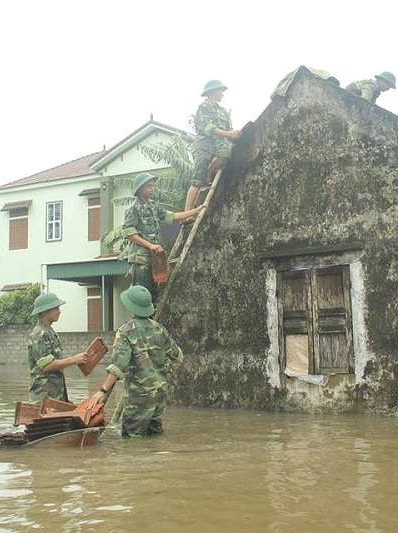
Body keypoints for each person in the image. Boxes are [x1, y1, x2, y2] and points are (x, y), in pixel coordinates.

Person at [96, 285, 184, 437]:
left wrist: (102, 391)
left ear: (130, 307)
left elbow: (118, 366)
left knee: (133, 445)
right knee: (154, 438)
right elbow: (178, 356)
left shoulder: (125, 331)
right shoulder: (160, 329)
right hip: (159, 395)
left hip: (139, 398)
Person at [120, 172, 202, 301]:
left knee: (154, 293)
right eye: (148, 186)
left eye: (153, 186)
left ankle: (150, 320)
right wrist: (150, 245)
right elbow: (129, 233)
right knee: (142, 293)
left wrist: (196, 211)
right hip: (141, 257)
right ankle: (140, 321)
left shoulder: (153, 206)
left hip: (155, 256)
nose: (152, 189)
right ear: (140, 189)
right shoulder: (133, 209)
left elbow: (172, 216)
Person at [184, 80, 240, 211]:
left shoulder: (223, 111)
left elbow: (229, 129)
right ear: (213, 92)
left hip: (219, 144)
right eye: (221, 91)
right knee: (197, 179)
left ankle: (210, 172)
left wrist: (233, 134)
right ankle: (187, 211)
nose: (222, 94)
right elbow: (208, 128)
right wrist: (228, 133)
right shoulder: (204, 107)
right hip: (204, 144)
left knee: (225, 155)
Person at [27, 292, 88, 404]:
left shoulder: (49, 332)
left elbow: (56, 365)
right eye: (56, 308)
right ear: (45, 312)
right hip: (43, 398)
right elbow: (47, 366)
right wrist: (74, 359)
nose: (59, 311)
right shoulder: (39, 334)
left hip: (55, 396)